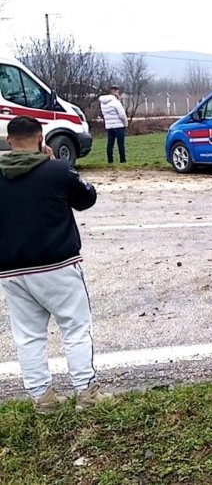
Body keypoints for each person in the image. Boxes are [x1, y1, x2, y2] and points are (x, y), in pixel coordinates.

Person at [0, 116, 110, 413]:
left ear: (9, 141)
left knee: (28, 336)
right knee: (75, 328)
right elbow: (87, 198)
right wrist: (54, 162)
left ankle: (42, 399)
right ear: (41, 140)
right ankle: (86, 393)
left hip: (10, 269)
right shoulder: (57, 171)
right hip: (58, 264)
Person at [99, 86, 128, 164]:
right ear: (114, 92)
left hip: (109, 126)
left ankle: (110, 160)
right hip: (118, 126)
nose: (119, 94)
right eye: (118, 92)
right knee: (121, 144)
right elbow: (122, 115)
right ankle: (123, 160)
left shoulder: (103, 103)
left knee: (110, 144)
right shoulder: (116, 102)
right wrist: (125, 123)